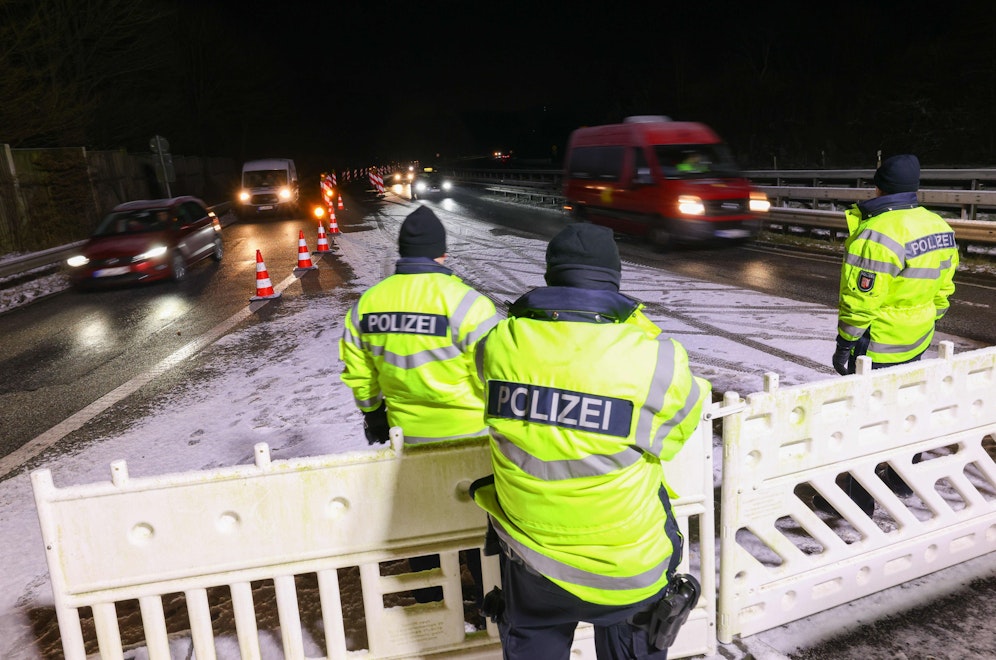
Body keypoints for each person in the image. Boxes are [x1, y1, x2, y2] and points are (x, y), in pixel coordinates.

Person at [471, 223, 710, 659]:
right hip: (626, 568)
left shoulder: (498, 344)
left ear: (550, 276)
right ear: (614, 279)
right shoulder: (656, 357)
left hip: (530, 560)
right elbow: (676, 434)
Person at [339, 205, 499, 604]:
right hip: (474, 441)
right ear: (441, 254)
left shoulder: (368, 305)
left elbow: (359, 373)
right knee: (479, 528)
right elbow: (501, 372)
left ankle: (432, 602)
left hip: (408, 438)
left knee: (424, 524)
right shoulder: (469, 305)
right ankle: (488, 598)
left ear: (403, 252)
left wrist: (373, 414)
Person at [820, 154, 959, 516]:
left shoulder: (877, 233)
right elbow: (943, 290)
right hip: (917, 339)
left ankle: (857, 500)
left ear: (879, 185)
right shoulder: (938, 226)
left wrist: (845, 342)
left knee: (866, 418)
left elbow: (860, 300)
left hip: (876, 346)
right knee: (908, 408)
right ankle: (901, 479)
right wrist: (925, 320)